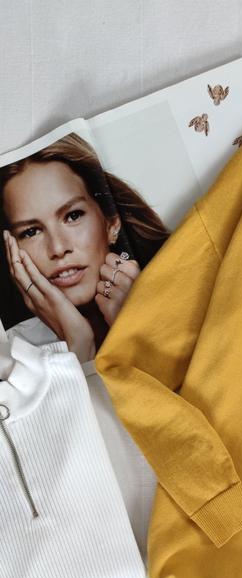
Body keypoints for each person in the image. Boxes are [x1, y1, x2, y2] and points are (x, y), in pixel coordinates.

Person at [0, 132, 170, 555]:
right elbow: (79, 503)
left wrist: (139, 330)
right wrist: (77, 353)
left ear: (111, 222)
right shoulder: (16, 361)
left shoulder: (182, 296)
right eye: (31, 231)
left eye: (72, 216)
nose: (58, 248)